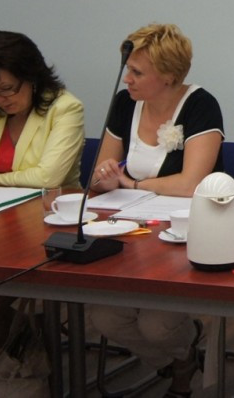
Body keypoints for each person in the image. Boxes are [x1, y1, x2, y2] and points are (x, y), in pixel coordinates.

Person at [87, 23, 224, 398]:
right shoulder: (124, 103)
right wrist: (105, 178)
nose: (126, 79)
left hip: (182, 237)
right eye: (127, 69)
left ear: (168, 76)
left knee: (157, 325)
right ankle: (179, 359)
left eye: (137, 71)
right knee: (104, 317)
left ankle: (179, 353)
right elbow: (99, 175)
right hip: (131, 234)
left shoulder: (200, 105)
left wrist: (130, 184)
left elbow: (191, 183)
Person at [0, 30, 85, 366]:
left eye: (7, 89)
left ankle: (38, 358)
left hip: (45, 225)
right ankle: (34, 344)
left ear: (32, 75)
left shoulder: (65, 108)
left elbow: (48, 177)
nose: (0, 99)